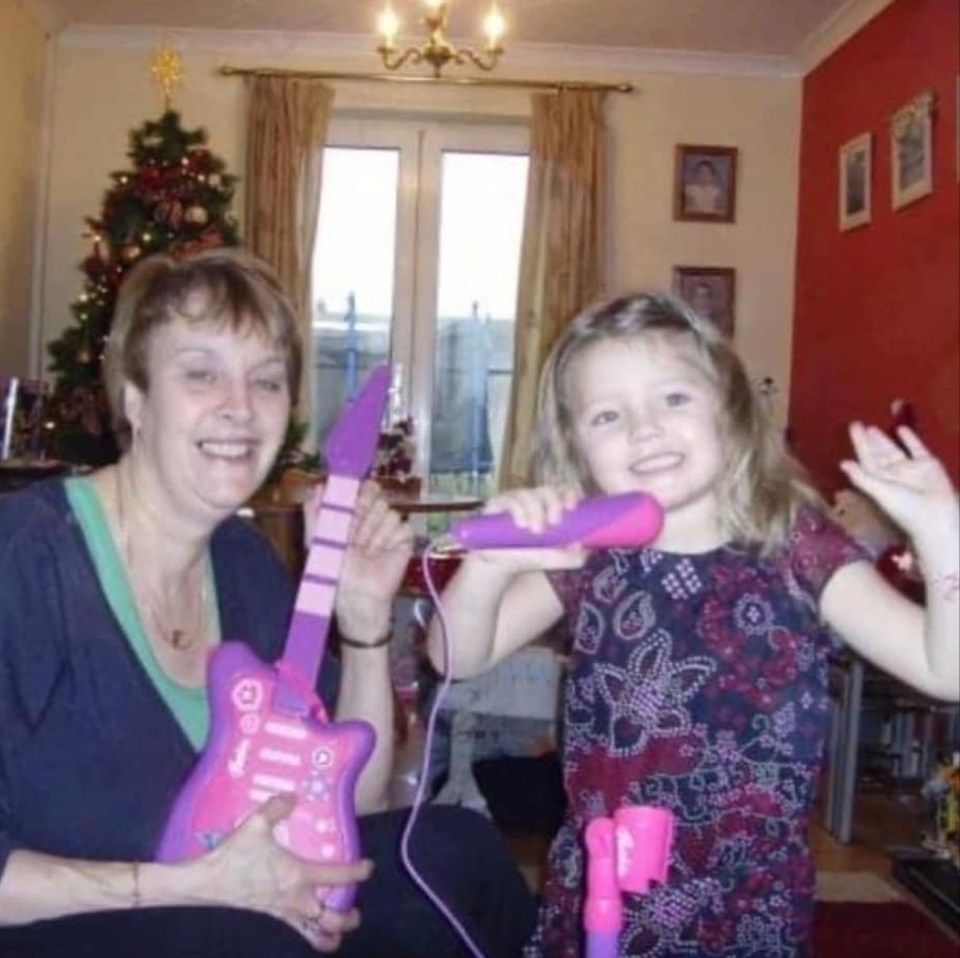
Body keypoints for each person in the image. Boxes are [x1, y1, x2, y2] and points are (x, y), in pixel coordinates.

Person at [0, 249, 536, 958]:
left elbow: (355, 801)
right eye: (201, 374)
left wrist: (364, 621)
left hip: (228, 904)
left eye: (268, 381)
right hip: (71, 922)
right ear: (134, 396)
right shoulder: (29, 556)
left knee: (451, 853)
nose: (241, 408)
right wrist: (193, 885)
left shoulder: (243, 564)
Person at [426, 291, 959, 957]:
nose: (644, 429)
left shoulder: (797, 546)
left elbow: (947, 670)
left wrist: (943, 534)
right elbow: (455, 657)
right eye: (608, 415)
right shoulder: (589, 553)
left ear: (730, 411)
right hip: (600, 895)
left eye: (673, 399)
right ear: (576, 447)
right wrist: (488, 568)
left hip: (749, 904)